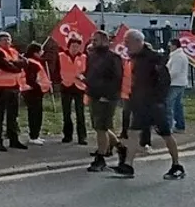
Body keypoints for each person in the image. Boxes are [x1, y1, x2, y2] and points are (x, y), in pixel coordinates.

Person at [113, 29, 185, 179]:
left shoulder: (154, 59)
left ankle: (177, 165)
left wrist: (159, 99)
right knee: (133, 133)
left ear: (138, 42)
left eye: (128, 43)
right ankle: (128, 166)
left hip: (154, 104)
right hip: (140, 104)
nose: (126, 46)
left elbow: (165, 81)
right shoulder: (135, 58)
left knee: (166, 134)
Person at [84, 30, 124, 172]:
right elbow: (90, 73)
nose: (93, 42)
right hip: (94, 95)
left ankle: (101, 158)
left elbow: (117, 79)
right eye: (92, 40)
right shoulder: (92, 56)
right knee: (99, 126)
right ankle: (120, 147)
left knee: (101, 127)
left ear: (105, 41)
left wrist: (107, 94)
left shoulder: (113, 58)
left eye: (96, 40)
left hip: (106, 97)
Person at [0, 32, 27, 151]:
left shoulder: (13, 51)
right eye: (4, 40)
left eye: (8, 39)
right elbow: (6, 66)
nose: (6, 42)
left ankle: (13, 139)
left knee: (13, 116)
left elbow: (25, 63)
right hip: (1, 87)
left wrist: (15, 64)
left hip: (14, 87)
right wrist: (17, 66)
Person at [57, 37, 88, 145]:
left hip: (79, 87)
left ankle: (82, 137)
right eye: (73, 46)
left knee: (80, 113)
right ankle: (67, 135)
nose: (75, 49)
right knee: (67, 113)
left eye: (77, 47)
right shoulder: (61, 56)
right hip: (66, 86)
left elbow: (87, 70)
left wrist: (84, 77)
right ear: (68, 46)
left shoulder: (83, 57)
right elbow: (55, 68)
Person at [21, 42, 51, 146]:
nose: (42, 53)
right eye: (40, 51)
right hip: (33, 92)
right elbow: (31, 79)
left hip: (34, 91)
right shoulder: (32, 63)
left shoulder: (33, 62)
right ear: (35, 53)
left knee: (36, 114)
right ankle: (33, 136)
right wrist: (39, 87)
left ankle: (35, 135)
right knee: (35, 115)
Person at [118, 58, 152, 150]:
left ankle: (145, 141)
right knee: (126, 113)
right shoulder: (127, 62)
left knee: (143, 116)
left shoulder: (144, 63)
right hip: (127, 92)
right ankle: (124, 133)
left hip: (140, 94)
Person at [165, 38, 189, 133]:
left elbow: (174, 72)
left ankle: (169, 126)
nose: (169, 47)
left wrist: (166, 79)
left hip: (175, 83)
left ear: (174, 46)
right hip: (180, 83)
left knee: (169, 105)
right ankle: (180, 125)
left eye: (170, 45)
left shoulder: (177, 57)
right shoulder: (178, 55)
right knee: (178, 105)